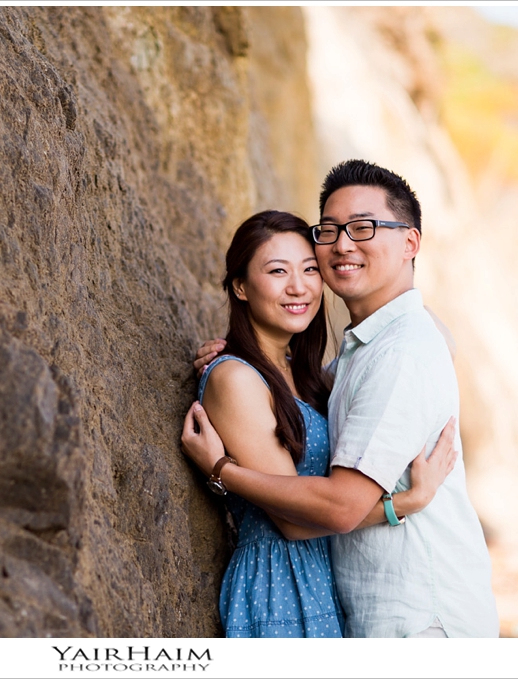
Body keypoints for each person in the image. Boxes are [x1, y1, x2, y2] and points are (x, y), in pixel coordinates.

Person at [182, 160, 499, 638]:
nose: (343, 244)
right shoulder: (354, 356)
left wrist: (222, 471)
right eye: (330, 230)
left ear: (410, 243)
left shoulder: (399, 351)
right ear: (241, 287)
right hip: (335, 600)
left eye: (364, 227)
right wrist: (241, 353)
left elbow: (341, 507)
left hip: (419, 617)